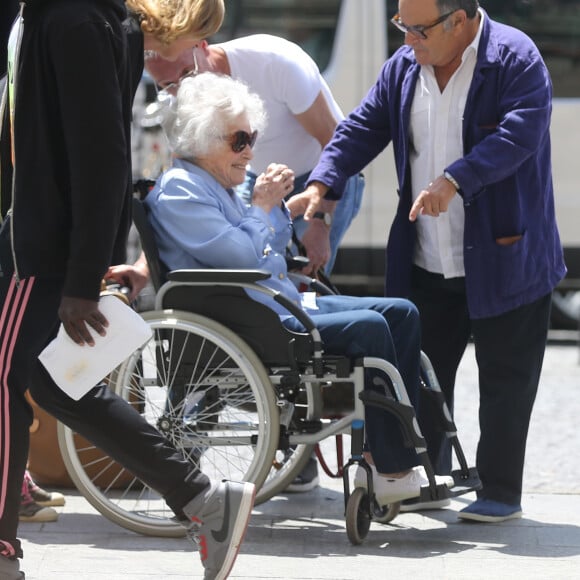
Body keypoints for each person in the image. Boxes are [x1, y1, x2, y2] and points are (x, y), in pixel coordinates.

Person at [0, 2, 256, 579]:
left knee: (4, 380)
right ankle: (204, 500)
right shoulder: (82, 17)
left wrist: (84, 274)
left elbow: (104, 157)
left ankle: (1, 549)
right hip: (48, 244)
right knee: (59, 385)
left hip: (43, 252)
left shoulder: (74, 19)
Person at [293, 0, 566, 522]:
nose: (407, 40)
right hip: (425, 256)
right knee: (420, 376)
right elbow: (361, 128)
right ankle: (423, 477)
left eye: (418, 29)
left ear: (459, 21)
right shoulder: (404, 67)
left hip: (505, 256)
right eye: (402, 25)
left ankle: (501, 492)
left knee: (506, 381)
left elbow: (519, 137)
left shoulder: (516, 57)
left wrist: (455, 180)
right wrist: (323, 182)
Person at [143, 71, 454, 509]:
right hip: (253, 318)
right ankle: (390, 467)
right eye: (238, 141)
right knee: (370, 328)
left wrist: (271, 208)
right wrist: (263, 207)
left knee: (401, 312)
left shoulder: (222, 185)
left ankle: (401, 456)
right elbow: (242, 258)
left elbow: (269, 246)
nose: (249, 150)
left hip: (274, 301)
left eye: (251, 137)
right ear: (201, 139)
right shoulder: (182, 192)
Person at [144, 34, 365, 276]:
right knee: (269, 273)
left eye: (187, 72)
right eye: (167, 84)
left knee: (306, 277)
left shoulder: (275, 64)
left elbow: (335, 143)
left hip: (322, 175)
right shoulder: (177, 95)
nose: (182, 88)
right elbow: (181, 211)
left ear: (203, 46)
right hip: (258, 177)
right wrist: (144, 268)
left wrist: (320, 220)